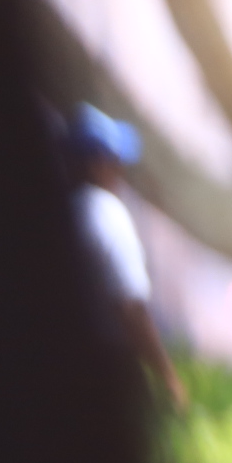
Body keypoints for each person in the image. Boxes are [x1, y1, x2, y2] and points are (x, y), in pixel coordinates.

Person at [66, 103, 186, 409]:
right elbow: (131, 307)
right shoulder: (106, 212)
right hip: (100, 376)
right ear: (97, 164)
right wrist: (168, 378)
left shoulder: (58, 210)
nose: (121, 171)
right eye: (115, 161)